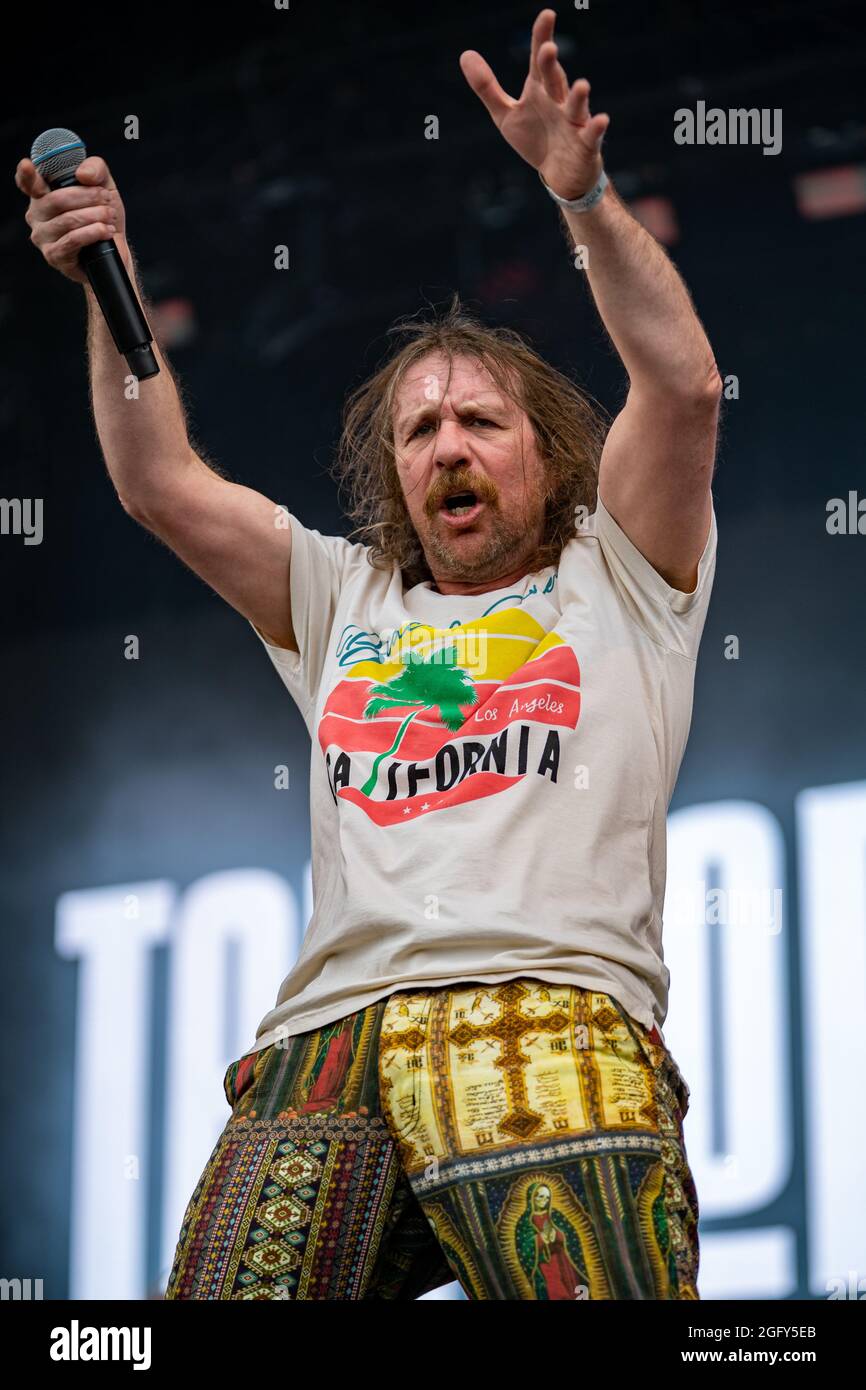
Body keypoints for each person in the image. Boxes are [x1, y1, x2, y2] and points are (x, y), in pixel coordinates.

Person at [17, 9, 719, 1299]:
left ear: (546, 452)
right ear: (392, 473)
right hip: (321, 1049)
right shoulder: (347, 599)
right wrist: (105, 279)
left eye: (479, 421)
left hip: (546, 1014)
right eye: (419, 430)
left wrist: (588, 199)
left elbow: (677, 388)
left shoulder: (619, 571)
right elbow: (161, 483)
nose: (447, 445)